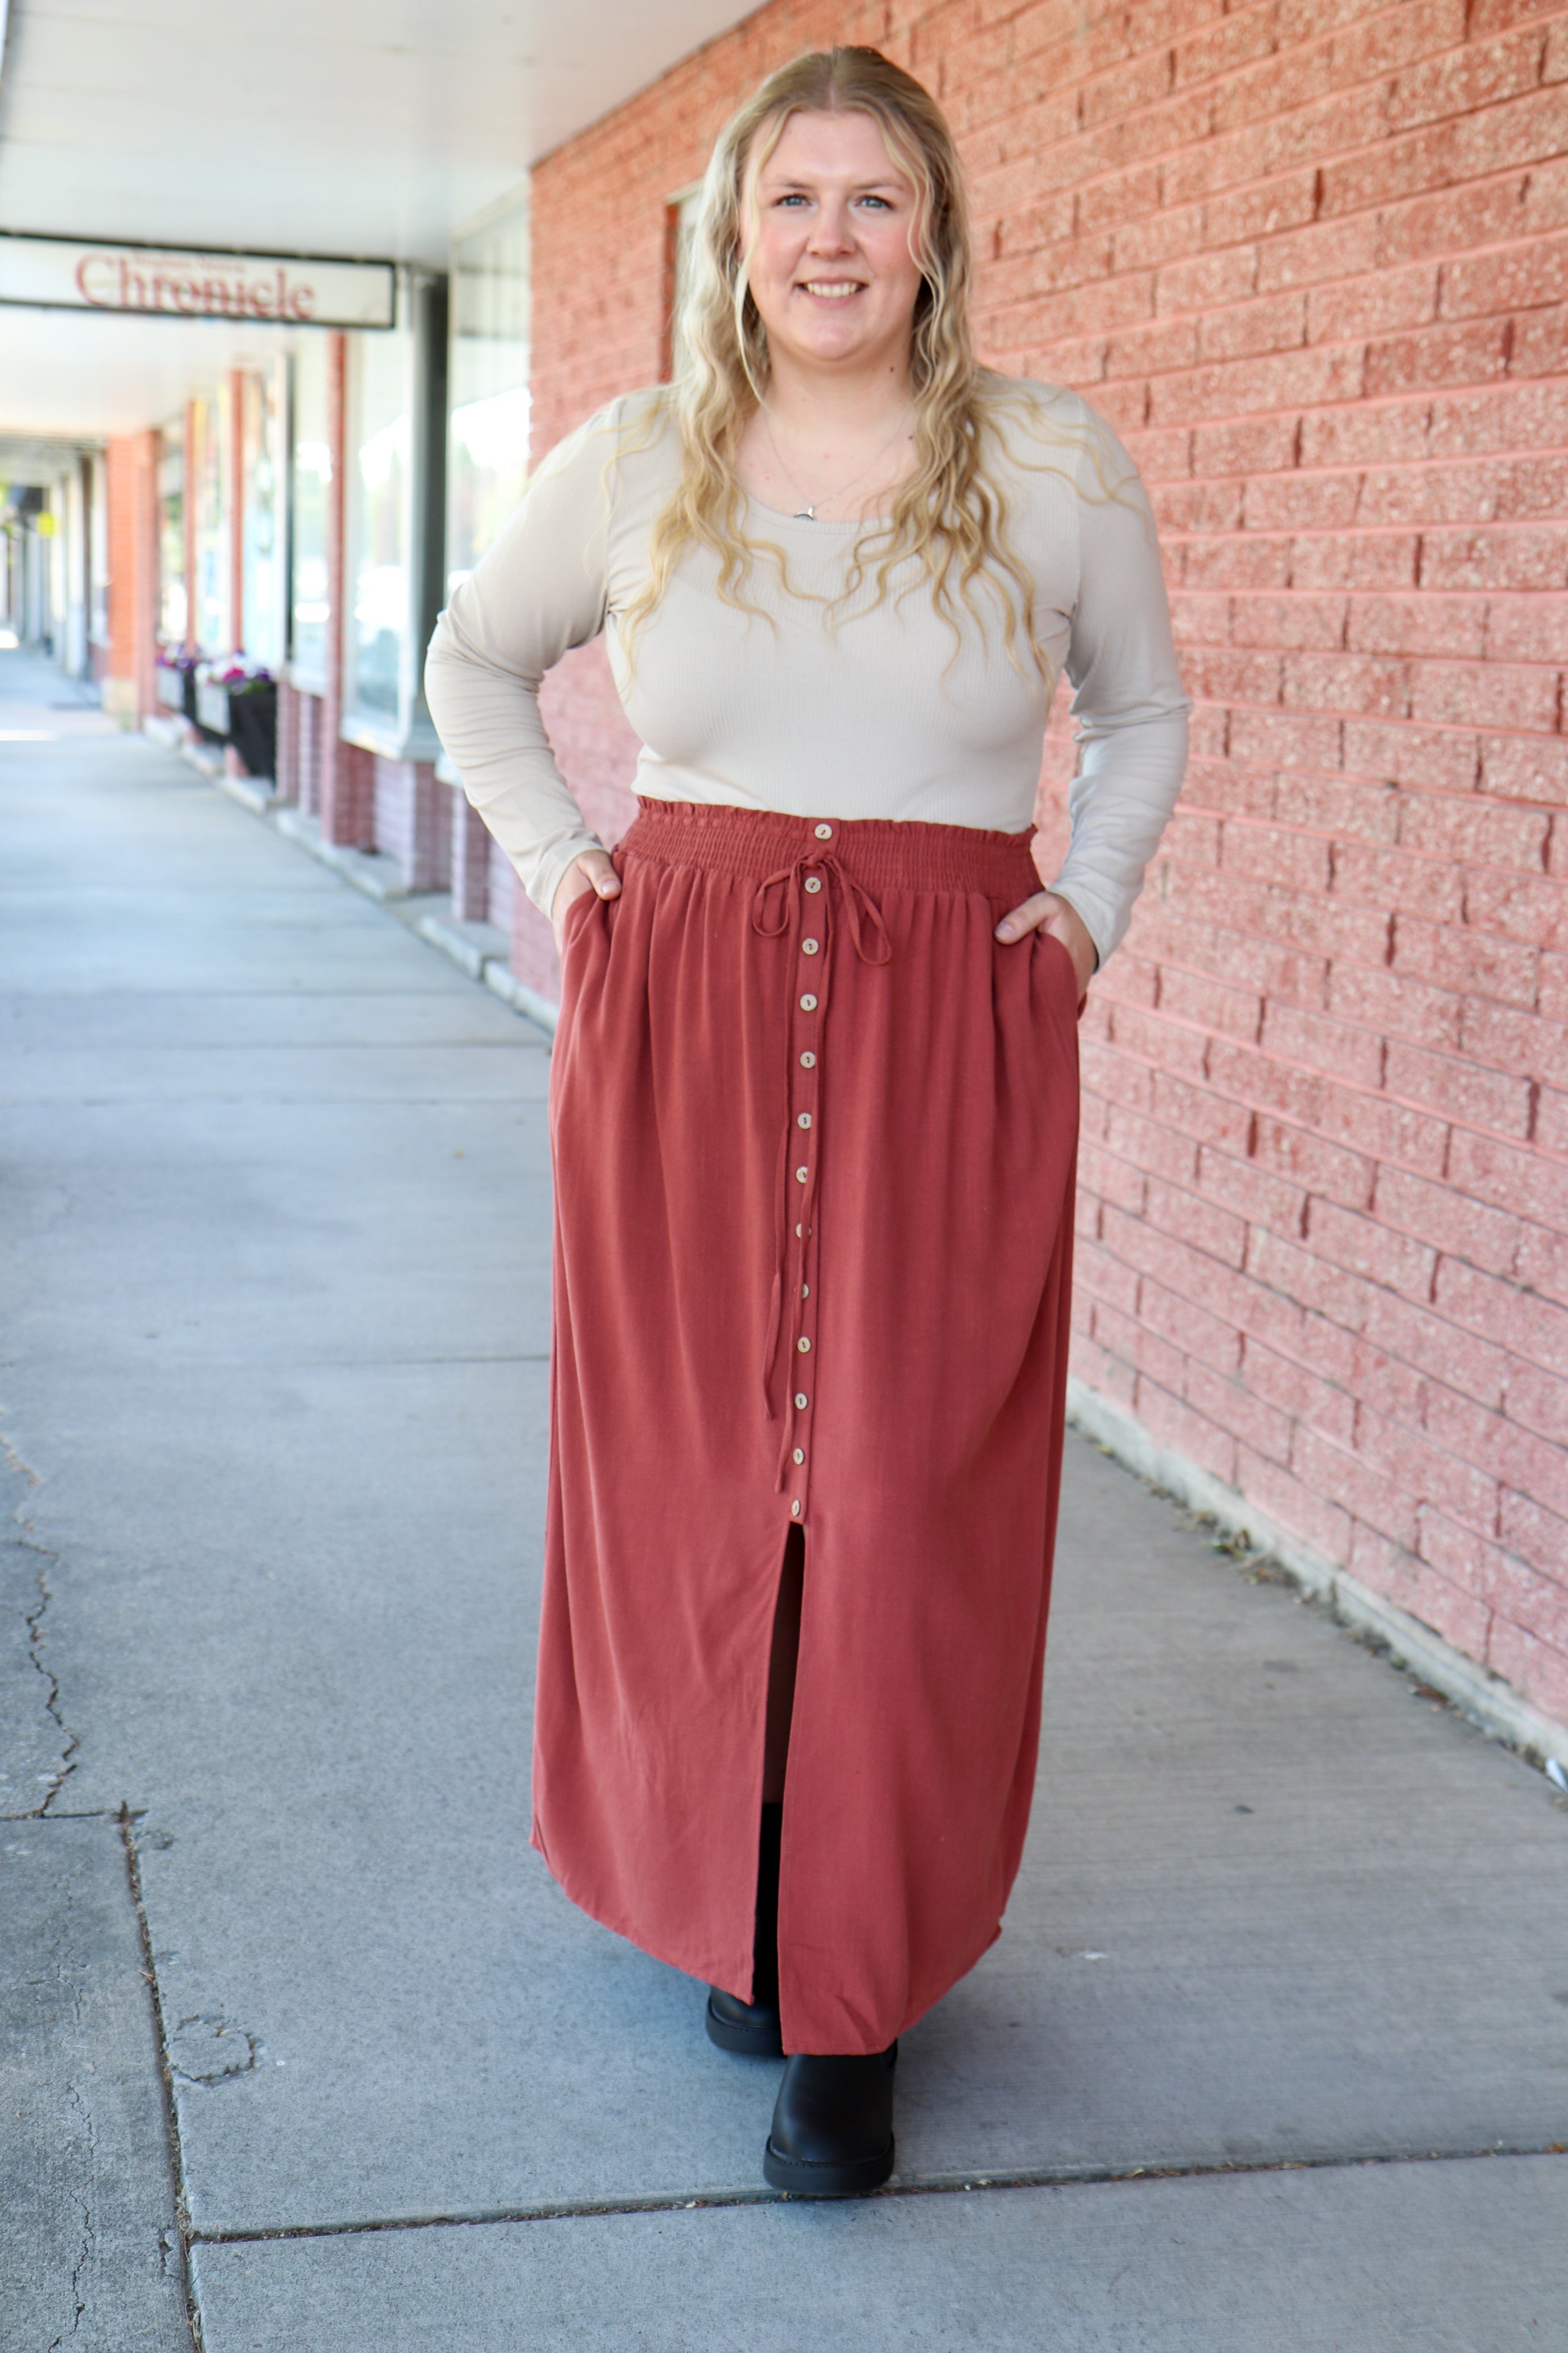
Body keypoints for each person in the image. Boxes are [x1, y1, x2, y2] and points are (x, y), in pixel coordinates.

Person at [425, 44, 1188, 2199]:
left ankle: (849, 1993)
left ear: (934, 226)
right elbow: (472, 663)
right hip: (687, 1011)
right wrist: (567, 864)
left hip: (955, 1012)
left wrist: (1086, 916)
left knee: (890, 1487)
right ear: (732, 238)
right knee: (702, 1476)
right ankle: (738, 1891)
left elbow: (1142, 710)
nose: (832, 240)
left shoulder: (1047, 464)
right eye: (793, 202)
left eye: (873, 199)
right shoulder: (642, 456)